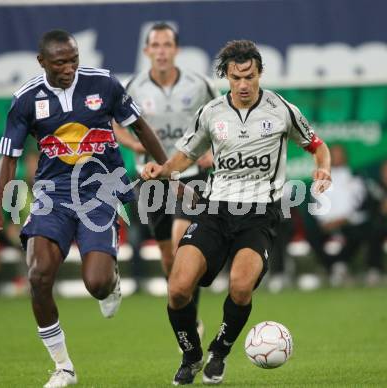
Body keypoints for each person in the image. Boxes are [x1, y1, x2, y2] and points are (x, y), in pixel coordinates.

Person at [0, 29, 170, 388]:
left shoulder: (104, 85)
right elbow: (9, 158)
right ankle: (63, 367)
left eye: (74, 60)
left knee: (96, 284)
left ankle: (111, 282)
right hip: (52, 195)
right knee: (38, 276)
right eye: (60, 63)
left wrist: (169, 172)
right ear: (42, 63)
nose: (69, 68)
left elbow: (142, 129)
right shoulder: (26, 99)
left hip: (100, 191)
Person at [142, 40, 331, 385]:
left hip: (259, 213)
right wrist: (164, 169)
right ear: (226, 76)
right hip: (215, 209)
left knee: (241, 288)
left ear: (259, 73)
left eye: (249, 76)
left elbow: (318, 147)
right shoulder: (211, 112)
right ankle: (191, 355)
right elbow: (186, 154)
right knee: (178, 289)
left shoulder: (281, 109)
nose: (243, 85)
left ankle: (220, 350)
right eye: (235, 77)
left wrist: (323, 168)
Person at [114, 22, 218, 334]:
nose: (161, 51)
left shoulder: (198, 85)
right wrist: (133, 143)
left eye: (167, 45)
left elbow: (218, 116)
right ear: (147, 51)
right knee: (168, 256)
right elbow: (114, 121)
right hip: (151, 176)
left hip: (190, 174)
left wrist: (211, 149)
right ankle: (188, 318)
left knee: (182, 241)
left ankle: (189, 317)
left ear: (176, 50)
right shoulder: (134, 87)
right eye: (155, 45)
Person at [305, 144, 371, 286]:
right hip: (326, 224)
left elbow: (358, 204)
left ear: (345, 157)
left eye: (339, 154)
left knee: (358, 234)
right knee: (312, 235)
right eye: (333, 154)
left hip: (349, 223)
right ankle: (334, 267)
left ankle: (339, 266)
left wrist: (343, 219)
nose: (336, 158)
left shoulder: (356, 178)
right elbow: (316, 203)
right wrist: (325, 222)